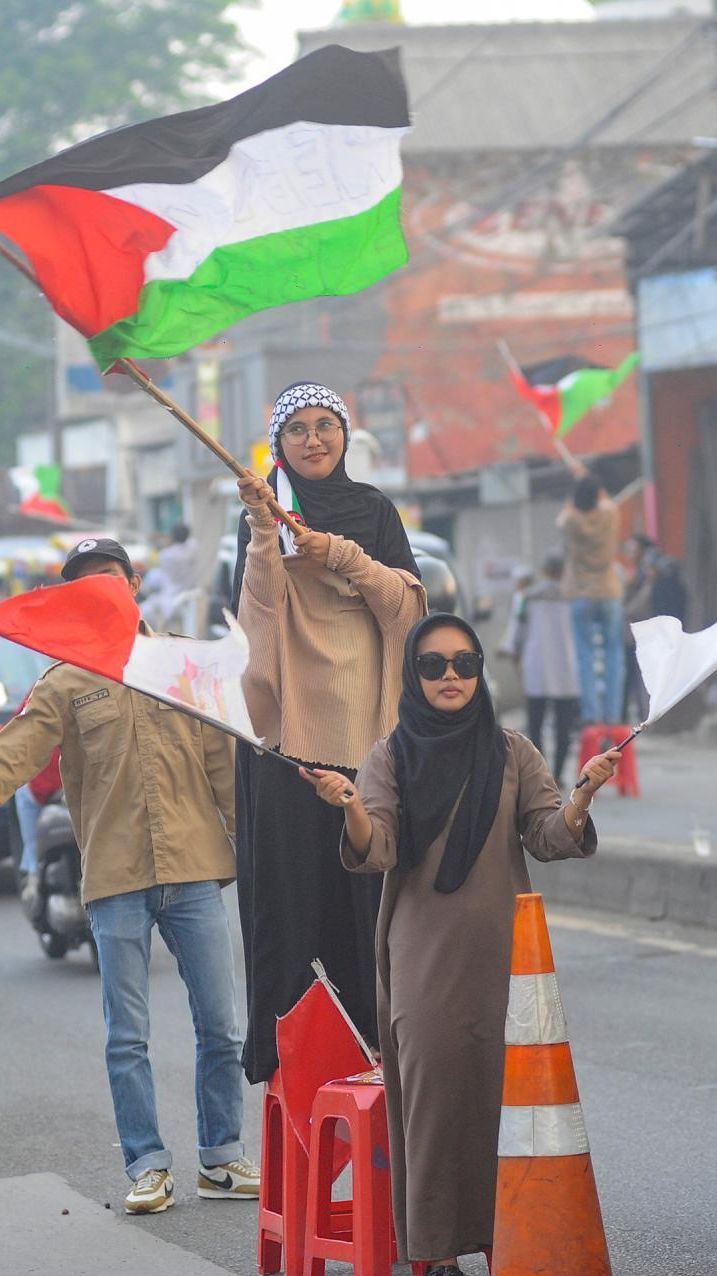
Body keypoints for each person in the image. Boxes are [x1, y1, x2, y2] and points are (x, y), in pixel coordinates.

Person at [302, 613, 620, 1274]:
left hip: (505, 958)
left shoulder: (511, 752)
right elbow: (377, 848)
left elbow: (548, 836)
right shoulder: (391, 754)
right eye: (433, 665)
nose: (450, 677)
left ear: (480, 673)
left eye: (464, 664)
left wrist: (583, 795)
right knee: (435, 1101)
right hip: (422, 956)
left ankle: (508, 1239)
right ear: (412, 677)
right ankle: (438, 1252)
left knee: (507, 1104)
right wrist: (351, 805)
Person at [0, 538, 259, 1214]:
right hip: (114, 876)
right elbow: (18, 752)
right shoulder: (63, 680)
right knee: (126, 1037)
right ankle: (148, 1165)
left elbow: (222, 763)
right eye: (83, 585)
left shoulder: (177, 662)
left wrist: (258, 850)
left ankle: (222, 1158)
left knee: (221, 1027)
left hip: (197, 867)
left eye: (108, 580)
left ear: (135, 583)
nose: (99, 592)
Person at [231, 381, 426, 1084]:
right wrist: (262, 533)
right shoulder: (265, 513)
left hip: (370, 737)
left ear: (345, 435)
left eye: (325, 426)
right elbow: (256, 617)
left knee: (370, 911)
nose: (313, 440)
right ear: (277, 444)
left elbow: (409, 609)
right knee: (293, 908)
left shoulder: (373, 509)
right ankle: (294, 1061)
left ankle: (382, 1055)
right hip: (290, 742)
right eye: (297, 431)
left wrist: (341, 556)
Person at [506, 551, 580, 787]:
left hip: (536, 667)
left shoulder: (528, 598)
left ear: (545, 571)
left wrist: (511, 648)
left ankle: (542, 774)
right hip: (568, 671)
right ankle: (559, 773)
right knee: (563, 728)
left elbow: (517, 630)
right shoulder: (575, 599)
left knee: (535, 725)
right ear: (562, 572)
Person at [557, 473, 625, 724]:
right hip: (608, 590)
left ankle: (592, 715)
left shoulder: (571, 521)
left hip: (580, 592)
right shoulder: (610, 513)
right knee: (613, 653)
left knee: (585, 655)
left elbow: (564, 514)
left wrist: (579, 489)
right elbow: (605, 499)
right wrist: (589, 479)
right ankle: (613, 714)